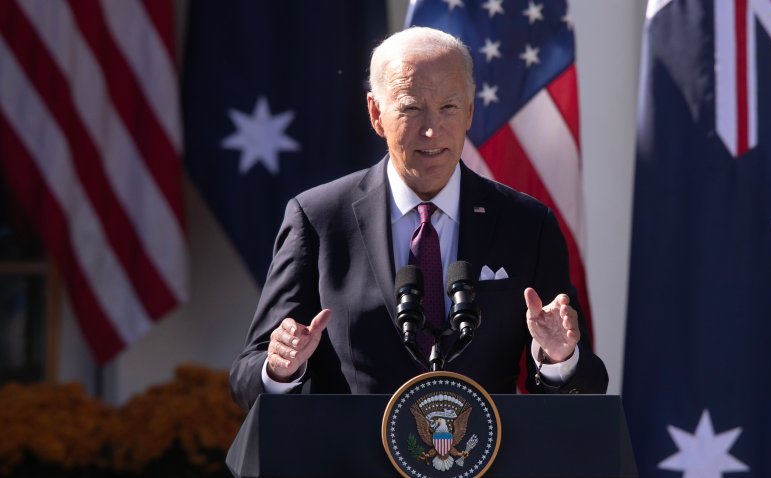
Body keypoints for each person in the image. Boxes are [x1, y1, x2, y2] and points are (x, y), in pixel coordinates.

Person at [229, 26, 608, 410]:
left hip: (485, 462)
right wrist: (280, 369)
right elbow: (247, 378)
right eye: (411, 108)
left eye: (449, 108)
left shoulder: (527, 224)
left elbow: (587, 388)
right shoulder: (319, 220)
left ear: (470, 113)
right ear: (376, 113)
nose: (432, 129)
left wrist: (560, 359)